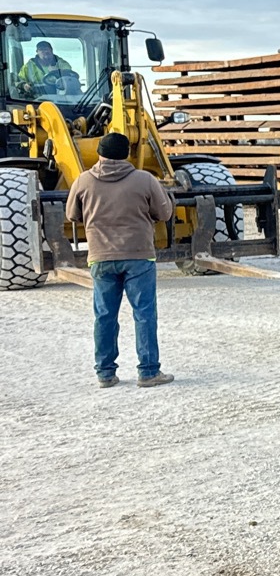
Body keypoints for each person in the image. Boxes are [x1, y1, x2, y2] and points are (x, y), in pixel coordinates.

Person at [65, 132, 175, 388]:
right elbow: (164, 213)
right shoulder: (145, 179)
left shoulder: (83, 181)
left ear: (99, 153)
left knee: (104, 316)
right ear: (127, 154)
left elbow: (72, 215)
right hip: (139, 256)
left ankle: (105, 374)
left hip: (101, 257)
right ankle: (148, 372)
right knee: (144, 314)